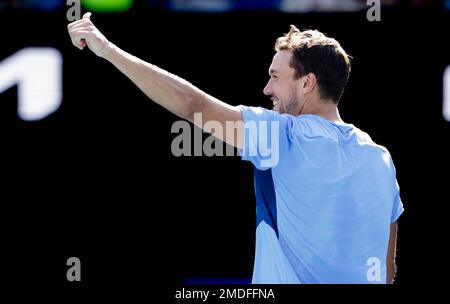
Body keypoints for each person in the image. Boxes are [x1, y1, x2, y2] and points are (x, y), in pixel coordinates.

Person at [68, 13, 404, 284]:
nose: (266, 88)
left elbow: (190, 106)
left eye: (275, 76)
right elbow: (388, 272)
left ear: (307, 83)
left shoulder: (282, 135)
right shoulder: (381, 159)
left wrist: (108, 50)